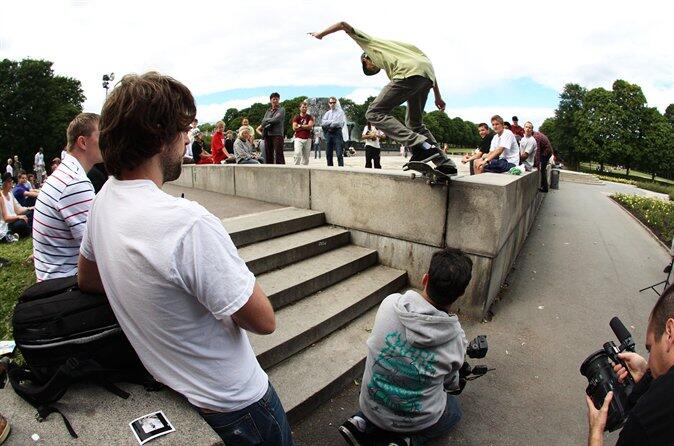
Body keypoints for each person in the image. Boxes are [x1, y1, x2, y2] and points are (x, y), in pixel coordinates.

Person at [77, 71, 294, 445]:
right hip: (237, 405)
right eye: (184, 129)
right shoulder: (187, 223)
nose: (187, 139)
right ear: (160, 134)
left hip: (174, 389)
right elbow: (263, 320)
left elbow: (88, 279)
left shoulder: (104, 200)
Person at [339, 248, 471, 446]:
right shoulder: (456, 341)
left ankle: (361, 423)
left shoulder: (390, 303)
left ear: (425, 279)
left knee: (386, 379)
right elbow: (450, 384)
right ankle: (407, 440)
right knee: (453, 411)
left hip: (371, 404)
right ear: (460, 294)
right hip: (412, 420)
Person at [310, 22, 456, 175]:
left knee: (374, 113)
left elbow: (343, 24)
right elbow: (426, 65)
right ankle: (446, 163)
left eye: (371, 68)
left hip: (407, 73)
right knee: (414, 123)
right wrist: (438, 96)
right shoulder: (402, 49)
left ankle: (420, 145)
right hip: (425, 76)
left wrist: (321, 34)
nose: (376, 68)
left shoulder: (369, 44)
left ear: (365, 60)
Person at [586, 284, 674, 446]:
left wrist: (596, 431)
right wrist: (648, 371)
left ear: (670, 332)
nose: (650, 359)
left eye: (650, 348)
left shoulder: (656, 410)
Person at [32, 112, 102, 280]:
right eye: (102, 136)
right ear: (83, 142)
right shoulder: (75, 183)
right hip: (63, 284)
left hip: (49, 275)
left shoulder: (64, 173)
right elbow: (98, 251)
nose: (108, 142)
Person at [1, 172, 32, 241]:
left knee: (30, 213)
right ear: (5, 184)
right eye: (10, 183)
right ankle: (25, 231)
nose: (12, 185)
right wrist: (19, 217)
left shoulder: (10, 193)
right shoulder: (1, 197)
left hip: (15, 219)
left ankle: (25, 230)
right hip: (8, 223)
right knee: (22, 223)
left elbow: (18, 210)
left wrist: (29, 208)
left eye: (12, 183)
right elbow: (6, 219)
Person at [257, 92, 286, 164]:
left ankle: (282, 170)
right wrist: (270, 120)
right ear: (270, 100)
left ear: (279, 100)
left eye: (276, 99)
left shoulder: (281, 109)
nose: (275, 101)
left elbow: (277, 120)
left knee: (279, 154)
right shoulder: (268, 111)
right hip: (268, 134)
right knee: (268, 154)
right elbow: (263, 122)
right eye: (273, 99)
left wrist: (267, 120)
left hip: (277, 134)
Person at [321, 97, 346, 167]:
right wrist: (332, 121)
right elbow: (323, 123)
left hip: (337, 132)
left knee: (339, 153)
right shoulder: (327, 113)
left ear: (336, 103)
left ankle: (341, 169)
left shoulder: (340, 112)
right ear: (329, 104)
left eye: (334, 102)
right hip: (328, 134)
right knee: (328, 153)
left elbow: (337, 123)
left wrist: (328, 123)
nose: (332, 104)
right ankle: (330, 168)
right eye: (331, 103)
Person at [292, 101, 315, 165]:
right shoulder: (296, 117)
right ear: (300, 108)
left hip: (308, 138)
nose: (304, 108)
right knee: (297, 154)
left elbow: (310, 126)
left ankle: (304, 171)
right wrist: (306, 126)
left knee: (306, 158)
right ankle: (296, 169)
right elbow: (294, 128)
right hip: (298, 138)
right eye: (303, 107)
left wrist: (300, 126)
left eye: (305, 107)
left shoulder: (310, 117)